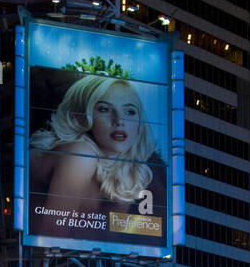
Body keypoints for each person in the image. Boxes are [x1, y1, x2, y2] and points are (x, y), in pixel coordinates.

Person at [29, 75, 164, 221]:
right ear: (81, 114)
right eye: (104, 109)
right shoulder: (80, 155)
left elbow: (109, 237)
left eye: (129, 111)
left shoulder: (127, 171)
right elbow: (51, 235)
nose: (119, 121)